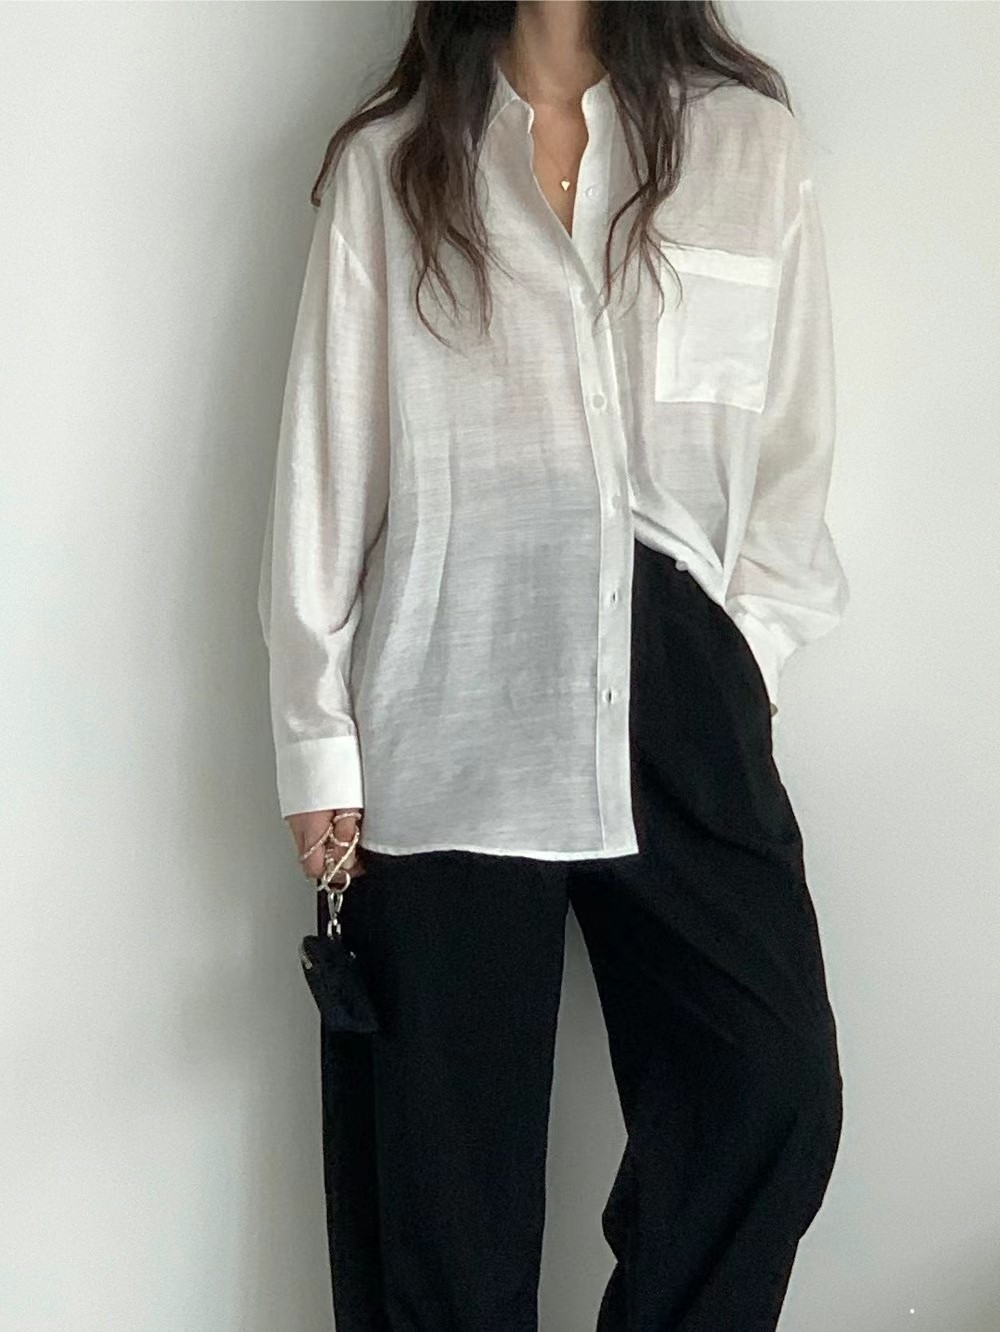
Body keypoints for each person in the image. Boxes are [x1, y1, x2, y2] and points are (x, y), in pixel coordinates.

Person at [256, 2, 849, 1327]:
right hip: (452, 679)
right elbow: (327, 471)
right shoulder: (395, 162)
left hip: (680, 678)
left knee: (771, 1089)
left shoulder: (747, 146)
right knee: (444, 1195)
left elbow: (792, 444)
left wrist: (742, 655)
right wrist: (317, 738)